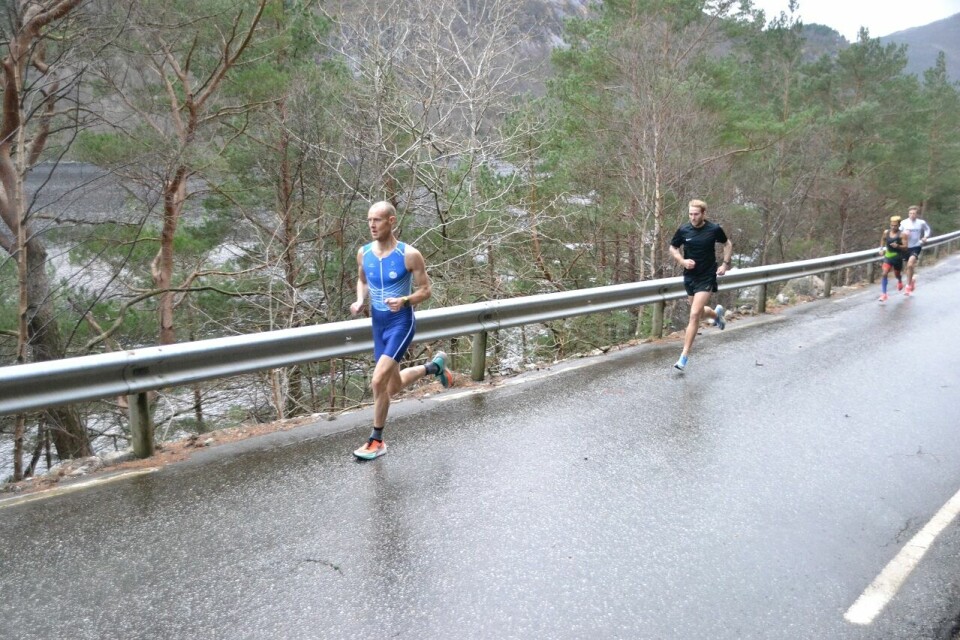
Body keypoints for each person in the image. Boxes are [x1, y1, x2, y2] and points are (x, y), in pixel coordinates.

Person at [350, 201, 452, 460]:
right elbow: (362, 281)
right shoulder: (364, 253)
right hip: (378, 324)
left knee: (378, 380)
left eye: (378, 220)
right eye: (369, 220)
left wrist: (405, 300)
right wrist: (361, 300)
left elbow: (425, 290)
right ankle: (434, 368)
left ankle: (376, 440)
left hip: (401, 323)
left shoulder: (409, 255)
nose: (372, 225)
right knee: (392, 386)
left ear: (391, 221)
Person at [668, 199, 733, 371]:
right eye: (690, 214)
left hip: (707, 275)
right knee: (698, 311)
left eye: (696, 214)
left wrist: (725, 264)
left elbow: (727, 244)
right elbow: (673, 248)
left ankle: (684, 356)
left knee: (694, 313)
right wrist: (682, 260)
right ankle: (717, 315)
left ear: (703, 214)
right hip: (690, 276)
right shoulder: (683, 230)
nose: (693, 217)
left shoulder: (713, 229)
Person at [898, 205, 932, 295]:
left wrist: (925, 237)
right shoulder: (903, 223)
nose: (912, 215)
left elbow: (927, 229)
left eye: (914, 213)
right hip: (905, 247)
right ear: (908, 214)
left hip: (916, 246)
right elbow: (897, 233)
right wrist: (903, 234)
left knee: (910, 265)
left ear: (917, 214)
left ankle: (908, 287)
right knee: (908, 267)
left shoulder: (921, 222)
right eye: (910, 213)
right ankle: (912, 280)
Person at [877, 215, 907, 302]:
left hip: (897, 257)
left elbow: (905, 247)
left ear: (899, 225)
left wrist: (898, 245)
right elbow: (883, 240)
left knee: (897, 274)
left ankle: (900, 280)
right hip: (888, 256)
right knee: (884, 273)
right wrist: (881, 249)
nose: (893, 227)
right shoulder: (886, 232)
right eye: (892, 225)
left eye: (895, 225)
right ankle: (884, 294)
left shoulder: (902, 235)